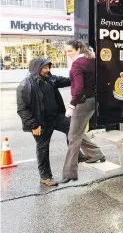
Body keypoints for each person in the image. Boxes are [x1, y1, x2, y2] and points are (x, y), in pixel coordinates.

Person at [16, 58, 90, 186]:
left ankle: (76, 154)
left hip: (55, 117)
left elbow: (68, 81)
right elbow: (23, 109)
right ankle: (45, 177)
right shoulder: (25, 85)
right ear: (36, 69)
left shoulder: (51, 79)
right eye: (45, 68)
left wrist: (80, 75)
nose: (48, 70)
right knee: (43, 148)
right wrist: (33, 125)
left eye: (48, 67)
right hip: (40, 122)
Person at [60, 39, 105, 184]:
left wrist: (71, 105)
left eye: (70, 51)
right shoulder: (91, 60)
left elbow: (78, 88)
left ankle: (69, 173)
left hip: (81, 103)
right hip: (92, 100)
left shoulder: (77, 64)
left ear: (78, 49)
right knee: (77, 133)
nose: (67, 54)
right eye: (66, 51)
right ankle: (96, 155)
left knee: (73, 136)